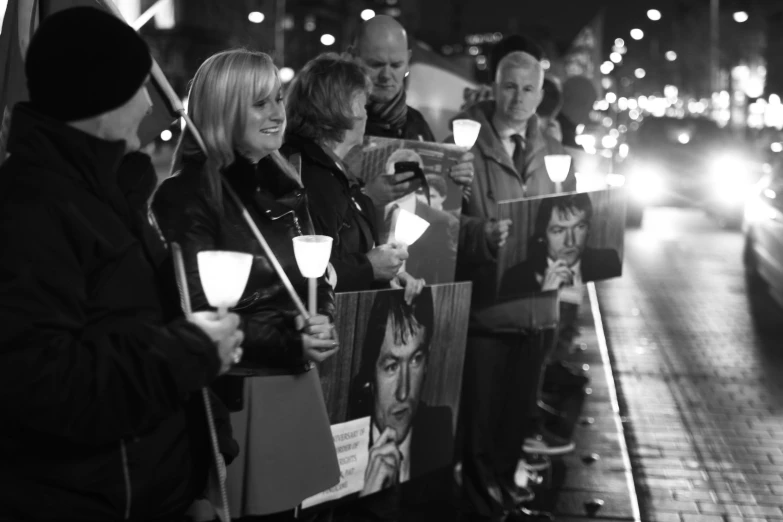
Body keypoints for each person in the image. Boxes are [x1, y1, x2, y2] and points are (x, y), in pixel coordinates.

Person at [0, 7, 244, 521]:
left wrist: (196, 472)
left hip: (152, 496)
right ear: (101, 96)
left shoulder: (115, 195)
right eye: (138, 87)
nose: (148, 104)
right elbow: (45, 384)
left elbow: (136, 329)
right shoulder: (31, 210)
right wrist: (190, 351)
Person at [152, 49, 340, 521]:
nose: (278, 113)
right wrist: (289, 339)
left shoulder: (283, 184)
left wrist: (322, 318)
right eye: (260, 103)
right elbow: (194, 307)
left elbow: (313, 275)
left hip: (295, 388)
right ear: (223, 108)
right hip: (234, 400)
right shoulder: (187, 195)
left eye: (278, 98)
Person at [449, 48, 578, 522]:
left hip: (539, 314)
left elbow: (569, 221)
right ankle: (486, 509)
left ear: (542, 94)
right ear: (493, 87)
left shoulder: (554, 152)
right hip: (488, 313)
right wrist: (481, 234)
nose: (518, 97)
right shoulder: (463, 146)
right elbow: (440, 224)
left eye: (529, 88)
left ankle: (502, 500)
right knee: (479, 432)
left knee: (514, 426)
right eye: (509, 85)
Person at [281, 52, 423, 300]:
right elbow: (309, 271)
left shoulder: (331, 170)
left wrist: (383, 274)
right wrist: (368, 268)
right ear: (341, 107)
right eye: (363, 103)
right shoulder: (310, 177)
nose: (367, 114)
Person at [346, 288, 454, 520]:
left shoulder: (439, 427)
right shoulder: (342, 443)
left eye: (415, 360)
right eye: (391, 366)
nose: (404, 392)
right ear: (369, 377)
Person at [349, 14, 475, 210]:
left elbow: (438, 207)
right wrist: (367, 197)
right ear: (352, 58)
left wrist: (455, 182)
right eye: (376, 64)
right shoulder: (335, 122)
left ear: (408, 61)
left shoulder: (416, 122)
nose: (386, 75)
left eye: (396, 65)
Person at [500, 193, 622, 295]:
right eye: (558, 231)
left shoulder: (608, 262)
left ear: (589, 229)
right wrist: (545, 299)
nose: (570, 242)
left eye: (579, 227)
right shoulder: (514, 279)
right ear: (543, 235)